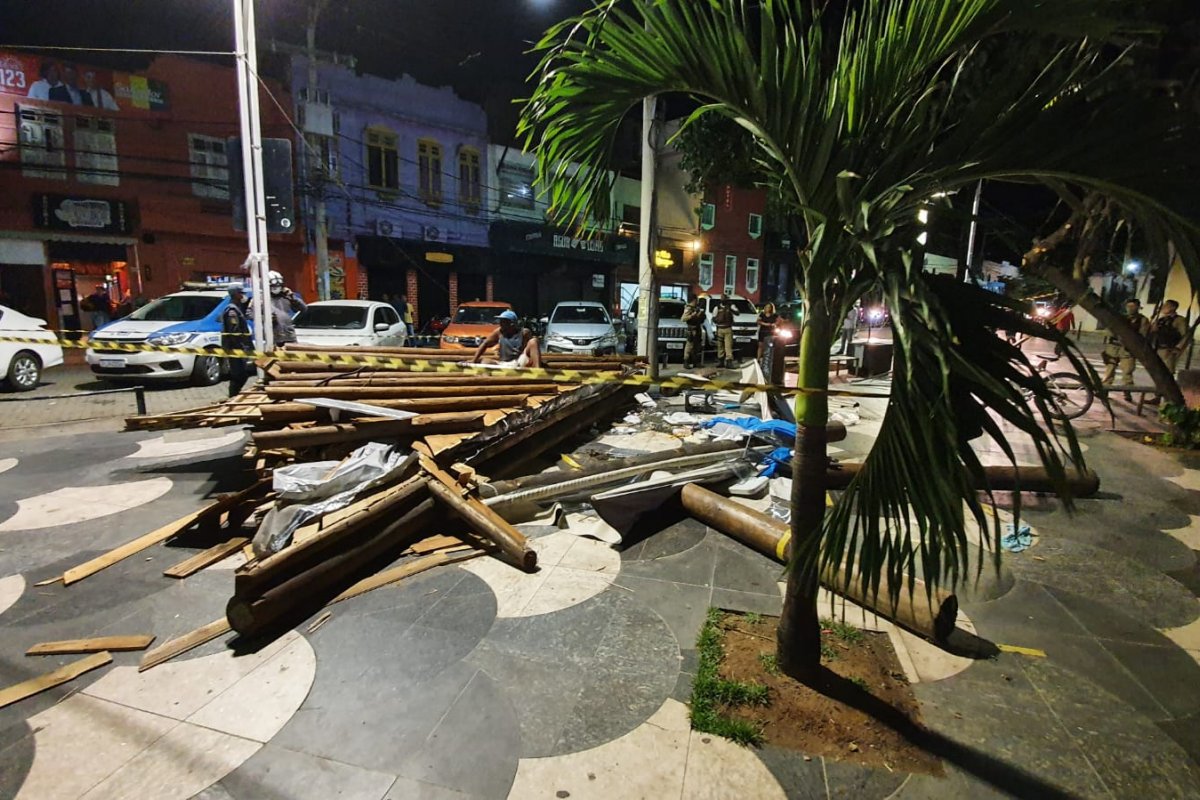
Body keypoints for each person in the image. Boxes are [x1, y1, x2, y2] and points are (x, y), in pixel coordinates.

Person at [1101, 298, 1151, 401]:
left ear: (1138, 307)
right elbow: (1108, 331)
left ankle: (1127, 392)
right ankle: (1105, 390)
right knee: (1109, 370)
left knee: (1127, 372)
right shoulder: (1119, 317)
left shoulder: (1142, 320)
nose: (1130, 309)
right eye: (1128, 306)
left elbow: (1143, 334)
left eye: (1133, 306)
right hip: (1113, 347)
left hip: (1128, 349)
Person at [251, 270, 307, 346]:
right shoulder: (260, 298)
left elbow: (303, 308)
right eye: (273, 287)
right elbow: (250, 314)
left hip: (288, 335)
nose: (276, 289)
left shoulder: (286, 296)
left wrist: (292, 297)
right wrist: (266, 318)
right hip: (271, 336)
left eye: (279, 286)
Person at [471, 309, 541, 368]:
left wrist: (535, 360)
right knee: (485, 361)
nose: (500, 324)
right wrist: (474, 360)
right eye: (500, 321)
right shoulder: (499, 332)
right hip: (504, 363)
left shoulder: (524, 333)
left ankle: (538, 369)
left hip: (519, 361)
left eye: (503, 322)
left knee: (533, 341)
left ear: (511, 323)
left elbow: (532, 349)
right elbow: (485, 343)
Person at [222, 286, 254, 397]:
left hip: (238, 348)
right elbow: (234, 331)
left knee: (241, 374)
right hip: (235, 348)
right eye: (241, 293)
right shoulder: (232, 311)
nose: (243, 295)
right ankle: (232, 396)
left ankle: (234, 395)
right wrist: (241, 347)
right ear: (236, 294)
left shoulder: (237, 308)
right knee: (239, 375)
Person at [1152, 298, 1189, 380]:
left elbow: (1185, 335)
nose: (1163, 307)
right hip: (1159, 347)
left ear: (1173, 308)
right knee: (1158, 371)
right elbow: (1153, 332)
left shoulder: (1179, 320)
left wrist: (1178, 347)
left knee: (1168, 371)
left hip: (1170, 348)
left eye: (1166, 305)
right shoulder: (1161, 319)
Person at [680, 295, 706, 369]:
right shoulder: (689, 308)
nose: (697, 302)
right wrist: (692, 315)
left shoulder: (696, 308)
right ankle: (686, 362)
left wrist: (700, 314)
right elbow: (683, 318)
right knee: (689, 346)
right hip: (691, 329)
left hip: (697, 328)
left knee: (697, 347)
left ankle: (695, 362)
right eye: (696, 300)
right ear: (693, 300)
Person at [713, 293, 736, 368]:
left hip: (728, 328)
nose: (722, 299)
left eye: (723, 298)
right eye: (721, 298)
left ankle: (729, 362)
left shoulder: (731, 306)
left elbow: (737, 312)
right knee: (720, 346)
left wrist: (730, 309)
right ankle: (721, 362)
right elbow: (714, 318)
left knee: (728, 346)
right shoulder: (717, 307)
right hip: (720, 328)